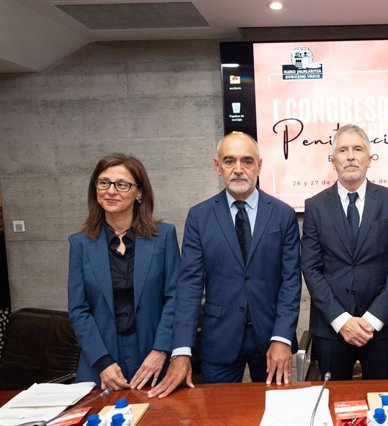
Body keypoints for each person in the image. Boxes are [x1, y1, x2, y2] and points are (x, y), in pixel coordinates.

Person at [148, 131, 301, 398]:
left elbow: (291, 281)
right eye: (229, 161)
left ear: (260, 166)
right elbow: (189, 285)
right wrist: (181, 350)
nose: (238, 170)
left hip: (272, 338)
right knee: (217, 415)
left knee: (279, 412)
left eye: (247, 161)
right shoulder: (200, 216)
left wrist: (282, 338)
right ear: (217, 166)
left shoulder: (283, 214)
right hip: (219, 339)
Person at [301, 124, 388, 381]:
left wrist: (372, 320)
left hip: (380, 330)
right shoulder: (315, 207)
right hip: (332, 330)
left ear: (369, 158)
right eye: (343, 150)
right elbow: (311, 268)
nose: (350, 156)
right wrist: (341, 321)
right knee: (334, 406)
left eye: (357, 149)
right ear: (333, 160)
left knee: (381, 404)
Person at [68, 154, 179, 390]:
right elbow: (79, 309)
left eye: (121, 184)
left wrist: (161, 350)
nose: (111, 190)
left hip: (153, 359)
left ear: (139, 192)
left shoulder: (164, 237)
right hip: (101, 362)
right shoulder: (80, 244)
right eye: (103, 182)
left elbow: (174, 298)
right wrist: (102, 362)